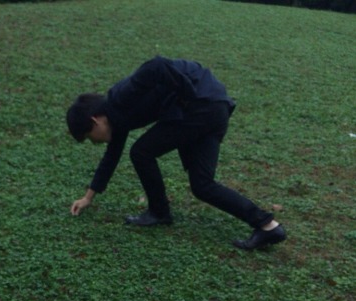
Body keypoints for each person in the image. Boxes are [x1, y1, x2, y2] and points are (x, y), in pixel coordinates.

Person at [66, 56, 286, 250]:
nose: (94, 142)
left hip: (201, 106)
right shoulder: (117, 119)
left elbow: (157, 65)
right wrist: (88, 197)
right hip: (215, 107)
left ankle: (159, 212)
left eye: (88, 137)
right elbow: (111, 156)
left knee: (141, 152)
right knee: (202, 185)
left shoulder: (120, 97)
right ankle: (268, 226)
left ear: (94, 121)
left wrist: (187, 96)